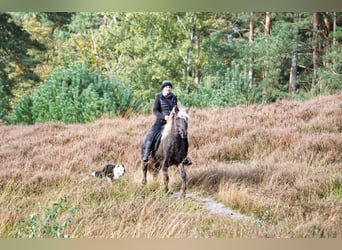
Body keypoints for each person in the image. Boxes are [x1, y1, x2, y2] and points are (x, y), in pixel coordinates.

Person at [142, 80, 192, 165]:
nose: (168, 89)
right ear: (163, 88)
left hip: (172, 122)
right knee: (151, 136)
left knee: (183, 135)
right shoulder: (158, 97)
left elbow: (176, 109)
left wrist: (175, 115)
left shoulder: (174, 97)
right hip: (161, 121)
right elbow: (155, 110)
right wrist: (164, 117)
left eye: (169, 87)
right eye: (166, 87)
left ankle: (184, 157)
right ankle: (146, 155)